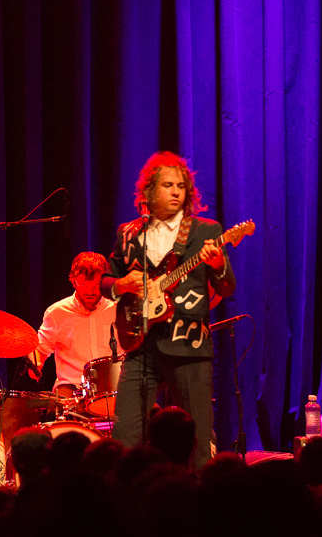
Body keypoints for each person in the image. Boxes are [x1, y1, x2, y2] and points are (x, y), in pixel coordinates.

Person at [101, 151, 236, 468]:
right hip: (140, 345)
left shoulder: (205, 230)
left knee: (198, 440)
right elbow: (106, 280)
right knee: (125, 435)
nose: (176, 191)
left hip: (188, 346)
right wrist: (120, 286)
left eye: (181, 186)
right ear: (149, 192)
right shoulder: (129, 233)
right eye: (167, 185)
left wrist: (217, 267)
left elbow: (228, 287)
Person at [27, 251, 117, 399]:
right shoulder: (57, 312)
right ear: (73, 281)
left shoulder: (116, 308)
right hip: (71, 387)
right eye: (83, 285)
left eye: (96, 285)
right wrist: (35, 364)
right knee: (58, 409)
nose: (90, 291)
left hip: (113, 385)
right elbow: (39, 349)